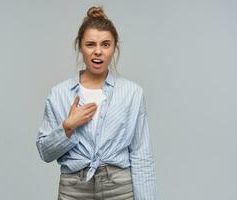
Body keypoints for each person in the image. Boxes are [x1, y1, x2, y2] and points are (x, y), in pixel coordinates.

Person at [36, 6, 158, 200]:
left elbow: (141, 155)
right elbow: (45, 153)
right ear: (80, 47)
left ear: (114, 47)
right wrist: (68, 127)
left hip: (119, 189)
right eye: (91, 44)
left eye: (106, 44)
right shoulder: (59, 94)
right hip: (74, 189)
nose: (98, 52)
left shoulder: (132, 93)